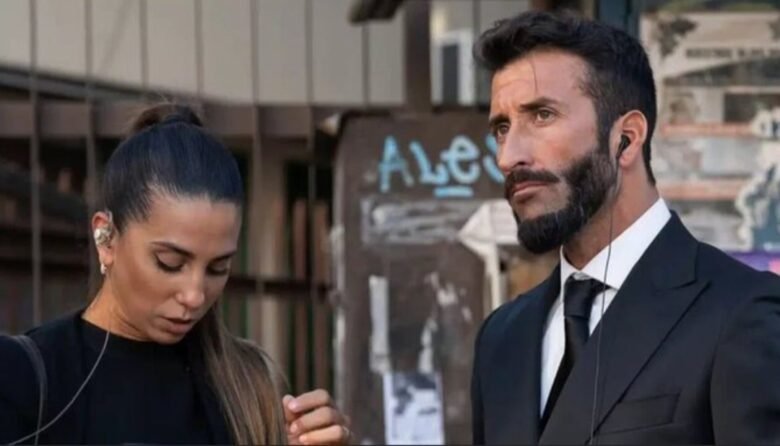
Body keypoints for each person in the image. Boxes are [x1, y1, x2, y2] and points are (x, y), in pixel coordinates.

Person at [470, 10, 780, 445]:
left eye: (541, 115)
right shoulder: (502, 338)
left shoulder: (742, 313)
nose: (508, 157)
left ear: (627, 138)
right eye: (502, 128)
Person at [0, 104, 351, 445]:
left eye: (218, 267)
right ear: (106, 238)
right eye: (170, 263)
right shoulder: (25, 377)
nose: (195, 296)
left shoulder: (249, 384)